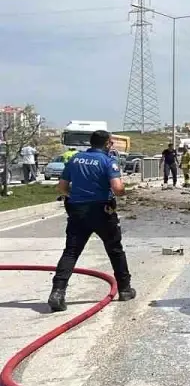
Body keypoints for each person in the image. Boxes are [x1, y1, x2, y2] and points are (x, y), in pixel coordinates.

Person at [48, 130, 134, 312]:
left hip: (77, 211)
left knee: (71, 252)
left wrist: (77, 196)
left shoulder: (75, 159)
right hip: (102, 211)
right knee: (115, 250)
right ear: (107, 144)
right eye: (112, 142)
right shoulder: (108, 161)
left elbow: (62, 187)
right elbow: (117, 188)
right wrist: (123, 192)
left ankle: (57, 292)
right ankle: (125, 289)